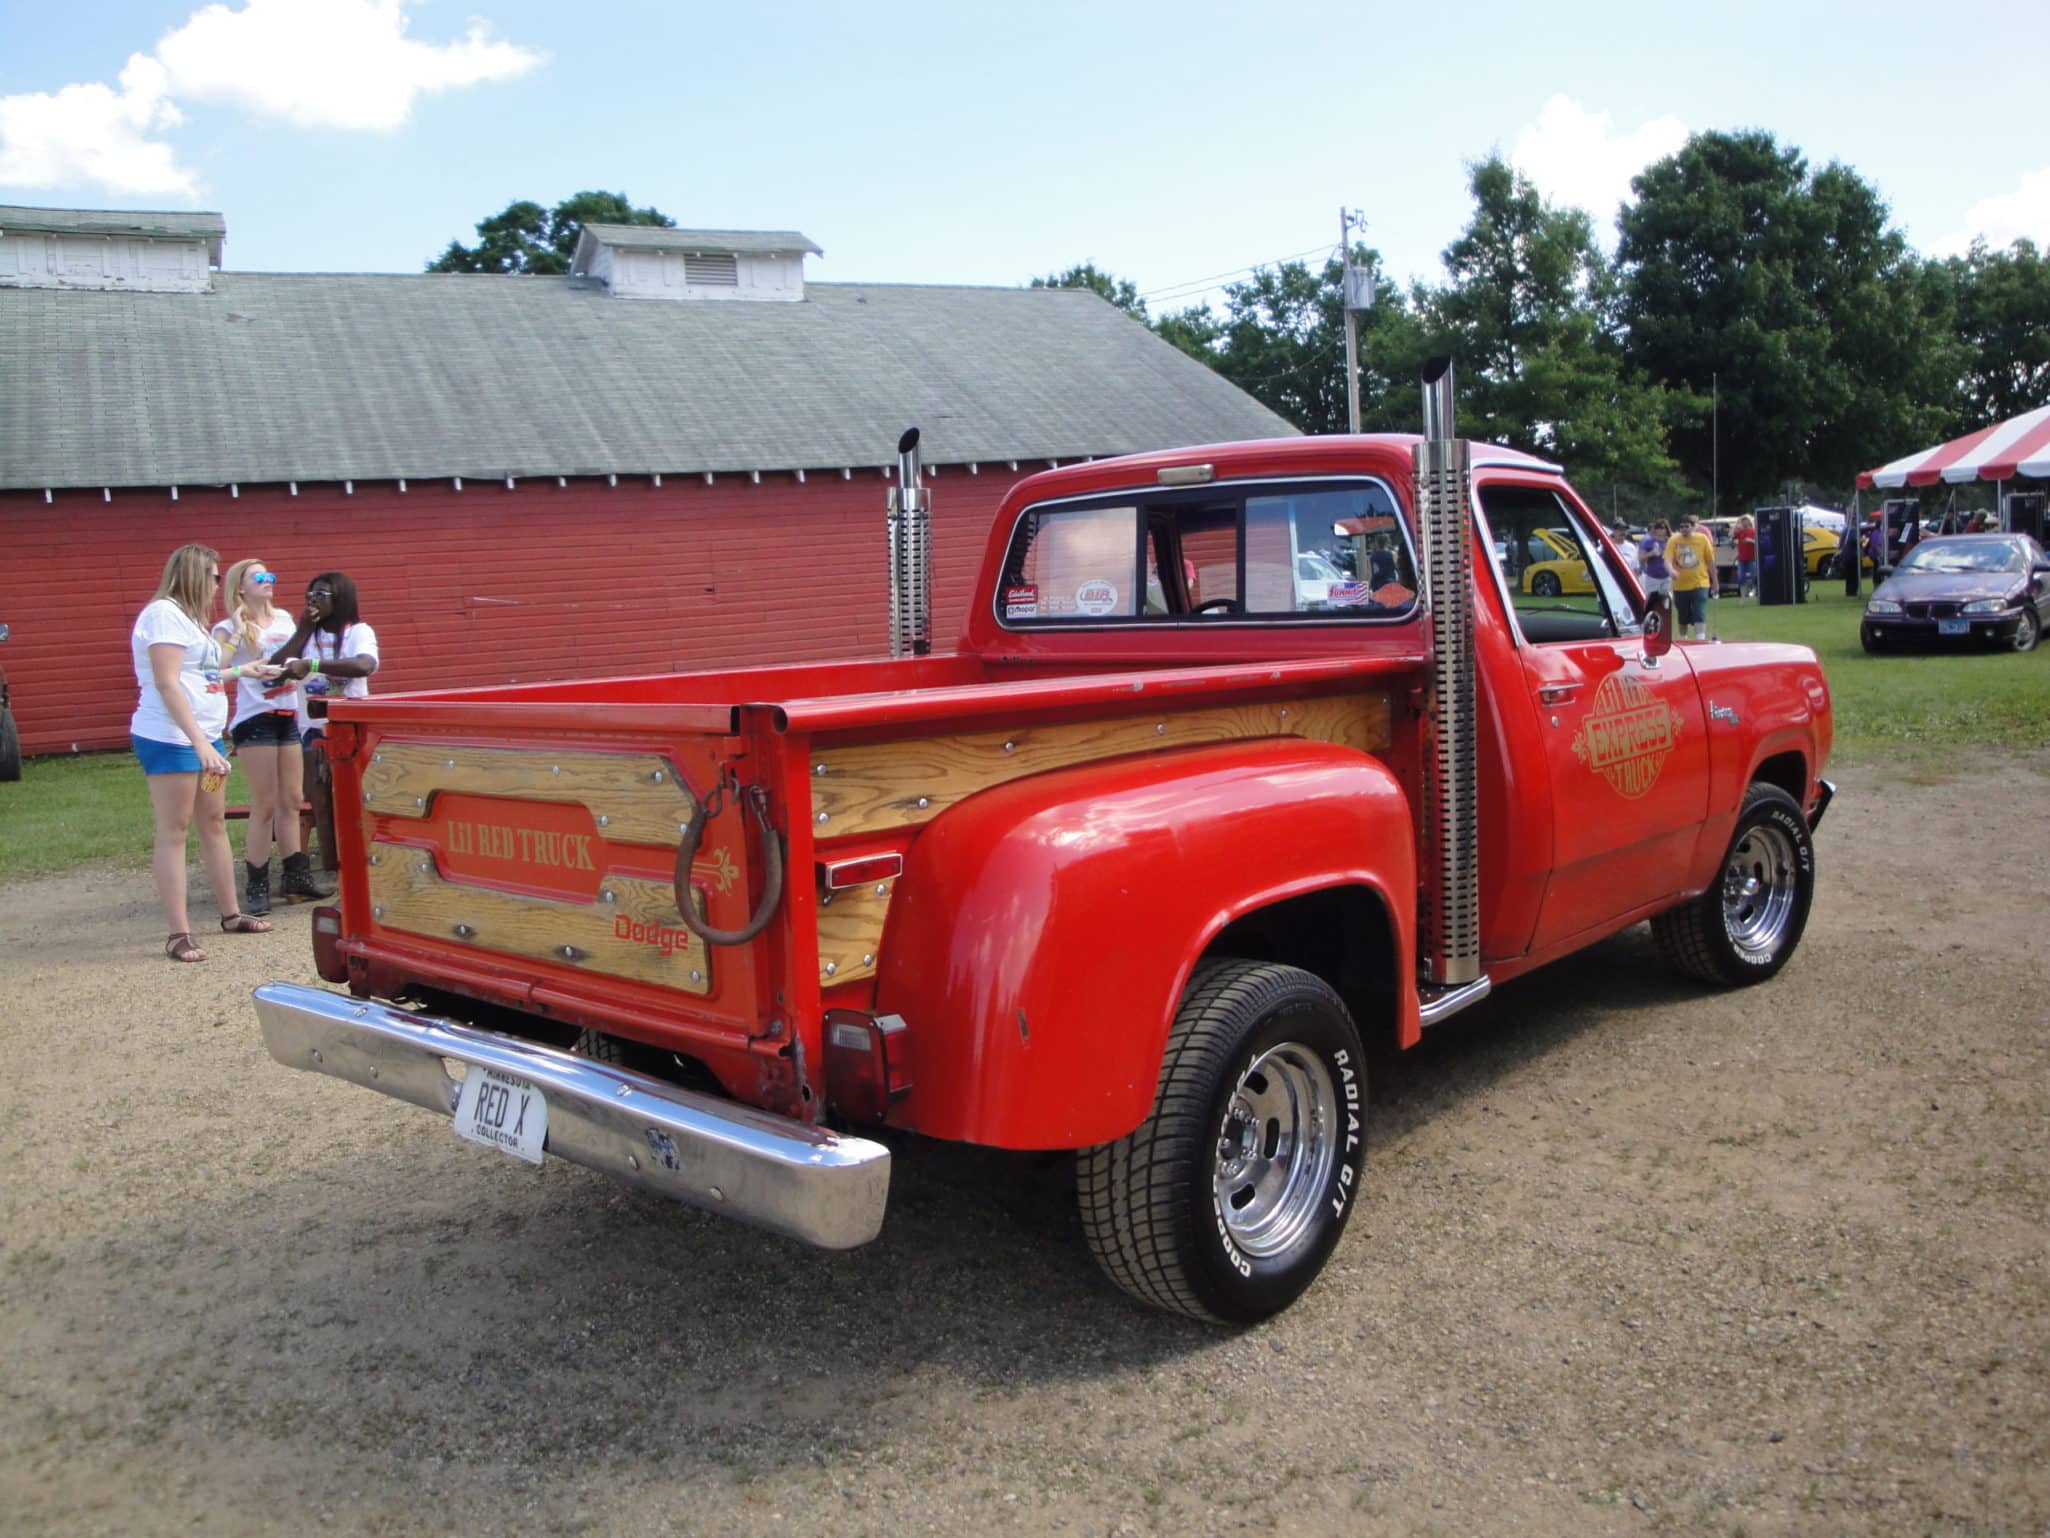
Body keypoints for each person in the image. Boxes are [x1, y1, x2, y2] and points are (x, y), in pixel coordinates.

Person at [131, 544, 279, 962]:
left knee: (213, 822)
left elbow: (202, 674)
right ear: (195, 575)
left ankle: (231, 914)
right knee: (174, 829)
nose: (219, 585)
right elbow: (167, 681)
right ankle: (178, 933)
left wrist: (242, 671)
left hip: (204, 735)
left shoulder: (193, 622)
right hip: (171, 737)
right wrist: (197, 741)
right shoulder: (163, 614)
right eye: (215, 576)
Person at [212, 558, 330, 915]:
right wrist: (235, 629)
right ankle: (257, 881)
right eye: (258, 577)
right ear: (240, 588)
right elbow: (215, 668)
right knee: (263, 803)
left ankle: (296, 876)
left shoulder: (283, 620)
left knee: (292, 799)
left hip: (287, 714)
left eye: (271, 576)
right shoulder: (227, 627)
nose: (268, 581)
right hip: (255, 717)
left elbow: (298, 654)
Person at [274, 572, 379, 872]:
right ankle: (333, 867)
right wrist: (303, 629)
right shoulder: (308, 635)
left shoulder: (358, 631)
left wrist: (314, 665)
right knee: (319, 798)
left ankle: (362, 860)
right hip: (311, 727)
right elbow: (275, 666)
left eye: (321, 594)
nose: (312, 600)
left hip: (351, 726)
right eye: (309, 594)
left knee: (354, 796)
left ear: (341, 597)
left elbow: (364, 665)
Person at [1666, 514, 1718, 641]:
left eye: (1687, 526)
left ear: (1694, 527)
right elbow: (1667, 559)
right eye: (1681, 527)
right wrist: (1671, 570)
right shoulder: (1674, 540)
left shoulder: (1702, 539)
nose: (1684, 529)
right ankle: (1684, 639)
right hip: (1680, 585)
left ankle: (1700, 639)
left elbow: (1710, 562)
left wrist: (1715, 582)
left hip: (1700, 582)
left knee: (1699, 611)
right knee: (1682, 615)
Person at [1638, 520, 1672, 599]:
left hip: (1667, 576)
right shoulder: (1649, 541)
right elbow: (1640, 558)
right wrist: (1651, 553)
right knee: (1653, 602)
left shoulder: (1670, 542)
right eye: (1658, 528)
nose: (1660, 530)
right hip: (1652, 577)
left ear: (1667, 529)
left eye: (1662, 528)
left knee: (1665, 602)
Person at [1734, 516, 1758, 598]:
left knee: (1755, 577)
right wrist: (1736, 525)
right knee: (1741, 578)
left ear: (1749, 522)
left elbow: (1758, 542)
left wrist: (1750, 540)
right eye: (1742, 521)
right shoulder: (1740, 532)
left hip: (1752, 558)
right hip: (1741, 559)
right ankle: (1743, 596)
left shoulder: (1753, 531)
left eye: (1745, 521)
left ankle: (1756, 593)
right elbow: (1731, 535)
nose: (1744, 522)